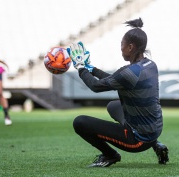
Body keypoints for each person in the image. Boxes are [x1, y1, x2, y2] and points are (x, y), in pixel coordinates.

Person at [67, 18, 169, 167]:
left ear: (130, 47)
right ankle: (156, 143)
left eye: (122, 45)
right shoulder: (150, 65)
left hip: (138, 140)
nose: (120, 48)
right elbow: (113, 79)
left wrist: (80, 67)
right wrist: (91, 68)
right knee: (113, 106)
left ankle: (110, 155)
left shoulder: (129, 73)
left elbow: (96, 86)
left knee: (80, 122)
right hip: (155, 129)